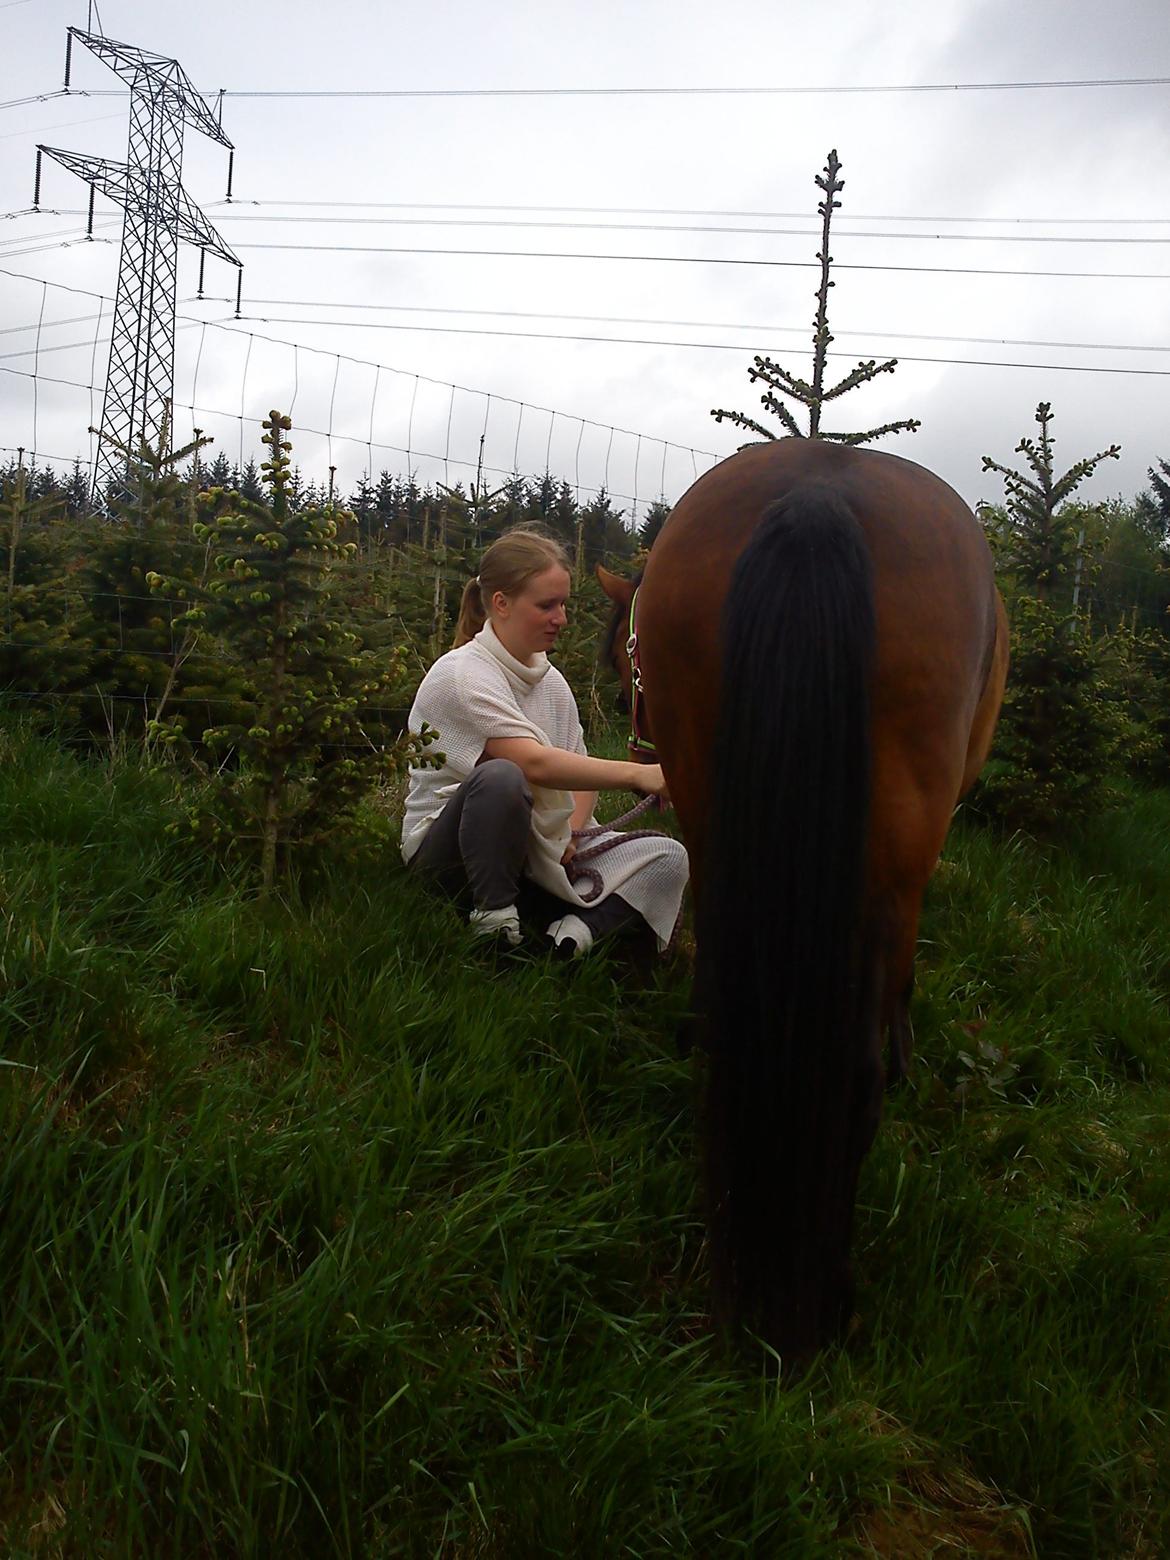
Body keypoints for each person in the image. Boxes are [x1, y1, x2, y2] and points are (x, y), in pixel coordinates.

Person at [401, 527, 689, 957]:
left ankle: (569, 939)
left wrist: (572, 834)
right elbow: (532, 764)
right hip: (454, 858)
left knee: (669, 855)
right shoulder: (461, 675)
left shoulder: (550, 681)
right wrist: (642, 774)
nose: (562, 618)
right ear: (500, 604)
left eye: (563, 604)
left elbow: (580, 770)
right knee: (500, 778)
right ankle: (494, 928)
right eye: (546, 605)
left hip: (541, 851)